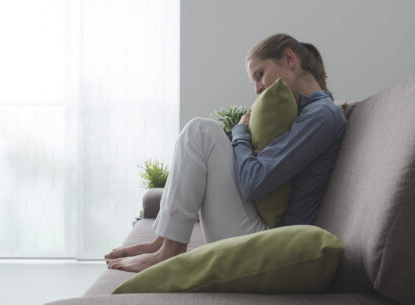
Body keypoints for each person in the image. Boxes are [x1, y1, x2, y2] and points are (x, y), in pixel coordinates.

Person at [105, 33, 347, 272]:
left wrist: (241, 132)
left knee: (200, 132)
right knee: (201, 131)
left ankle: (169, 251)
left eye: (260, 74)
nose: (257, 89)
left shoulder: (321, 115)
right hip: (264, 232)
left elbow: (253, 182)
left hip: (273, 243)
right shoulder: (307, 114)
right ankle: (165, 241)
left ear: (289, 59)